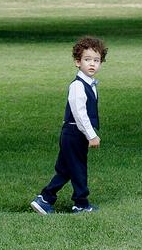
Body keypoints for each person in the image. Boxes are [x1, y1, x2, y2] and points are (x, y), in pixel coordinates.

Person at [31, 36, 107, 215]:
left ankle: (45, 199)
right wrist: (91, 135)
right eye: (87, 59)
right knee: (78, 168)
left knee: (66, 169)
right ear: (77, 62)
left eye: (96, 60)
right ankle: (80, 203)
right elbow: (80, 115)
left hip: (75, 134)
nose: (92, 64)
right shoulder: (77, 86)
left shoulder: (91, 85)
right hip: (74, 133)